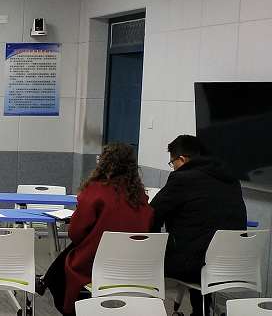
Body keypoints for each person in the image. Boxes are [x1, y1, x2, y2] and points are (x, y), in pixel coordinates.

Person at [41, 143, 154, 316]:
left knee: (60, 276)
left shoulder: (95, 191)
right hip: (133, 266)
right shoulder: (140, 196)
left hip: (96, 263)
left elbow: (75, 233)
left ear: (103, 162)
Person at [150, 135, 247, 316]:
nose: (173, 167)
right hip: (234, 263)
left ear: (182, 159)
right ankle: (200, 312)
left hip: (195, 266)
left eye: (172, 163)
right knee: (201, 244)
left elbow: (153, 212)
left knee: (156, 258)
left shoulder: (182, 179)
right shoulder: (230, 178)